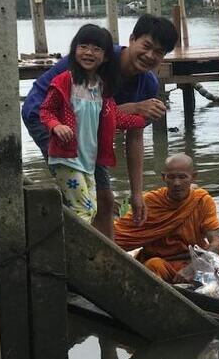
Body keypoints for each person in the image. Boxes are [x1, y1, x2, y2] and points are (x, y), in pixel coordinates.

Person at [23, 14, 178, 237]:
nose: (149, 55)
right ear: (132, 39)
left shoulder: (148, 84)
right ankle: (66, 249)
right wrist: (134, 107)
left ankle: (107, 259)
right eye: (146, 46)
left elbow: (134, 138)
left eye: (159, 52)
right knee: (80, 200)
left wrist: (136, 193)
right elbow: (78, 109)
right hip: (48, 116)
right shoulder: (100, 57)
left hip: (85, 128)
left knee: (105, 200)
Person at [39, 25, 147, 222]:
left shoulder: (101, 88)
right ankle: (75, 251)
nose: (89, 52)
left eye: (96, 49)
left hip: (88, 161)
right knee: (83, 211)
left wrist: (142, 119)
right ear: (74, 50)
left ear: (106, 57)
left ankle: (69, 245)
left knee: (91, 207)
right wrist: (56, 126)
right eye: (83, 46)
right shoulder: (64, 81)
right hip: (66, 158)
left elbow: (115, 117)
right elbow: (46, 110)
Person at [114, 153, 219, 283]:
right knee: (154, 265)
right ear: (163, 177)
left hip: (196, 261)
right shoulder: (149, 202)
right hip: (165, 263)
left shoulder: (202, 200)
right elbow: (118, 235)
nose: (177, 183)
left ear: (193, 177)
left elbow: (217, 243)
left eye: (182, 177)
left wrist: (192, 268)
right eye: (171, 177)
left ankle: (202, 278)